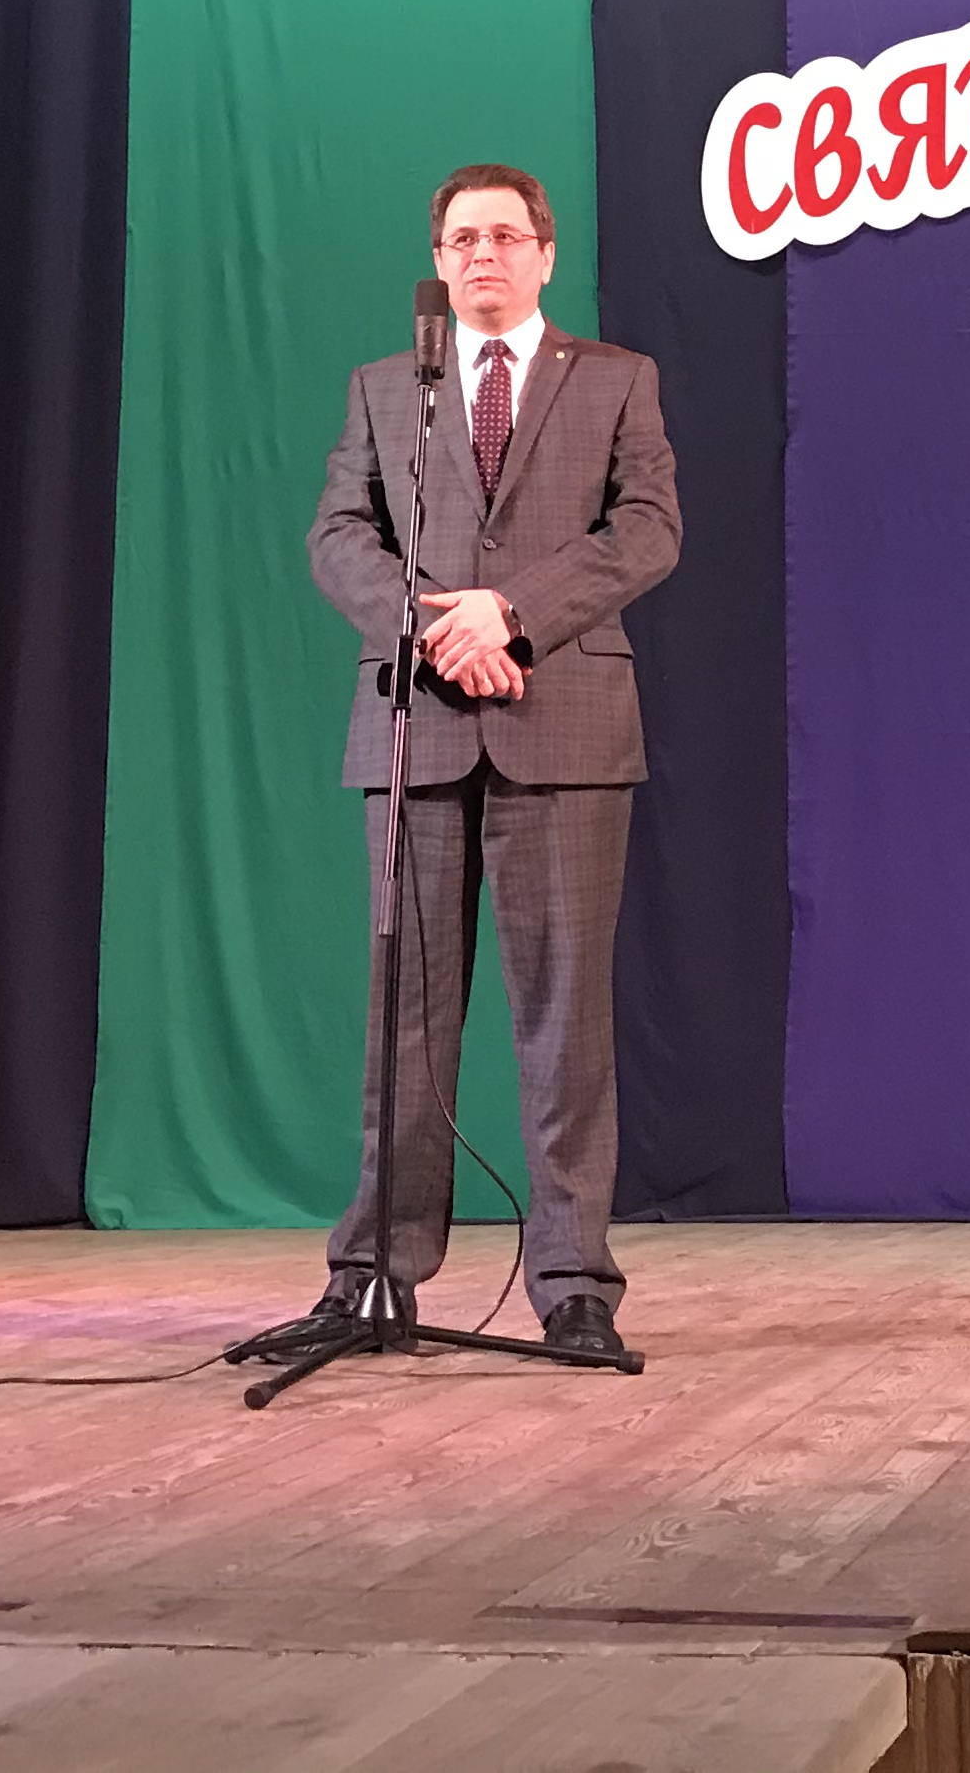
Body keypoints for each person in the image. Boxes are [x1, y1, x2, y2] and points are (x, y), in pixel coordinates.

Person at [302, 162, 681, 1364]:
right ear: (439, 259)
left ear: (545, 256)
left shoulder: (615, 378)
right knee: (404, 1022)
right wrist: (433, 627)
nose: (483, 255)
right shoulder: (386, 387)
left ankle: (573, 1284)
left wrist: (511, 614)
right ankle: (375, 1274)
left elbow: (649, 529)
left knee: (565, 1025)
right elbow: (339, 535)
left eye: (506, 236)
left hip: (563, 725)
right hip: (415, 725)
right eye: (463, 238)